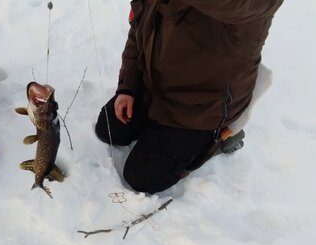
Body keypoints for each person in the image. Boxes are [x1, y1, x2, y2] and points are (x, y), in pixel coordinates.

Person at [95, 0, 283, 194]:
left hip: (200, 110)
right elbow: (139, 26)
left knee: (142, 176)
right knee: (109, 128)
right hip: (155, 88)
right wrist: (129, 86)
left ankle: (217, 141)